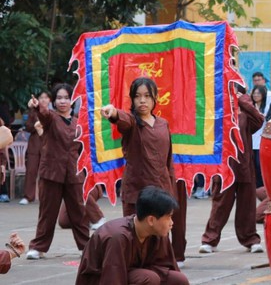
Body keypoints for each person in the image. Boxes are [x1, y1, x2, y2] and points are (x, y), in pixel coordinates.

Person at [99, 77, 185, 266]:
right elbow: (121, 119)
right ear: (132, 99)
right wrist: (113, 112)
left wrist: (171, 192)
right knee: (134, 240)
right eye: (137, 96)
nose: (142, 101)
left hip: (161, 191)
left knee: (161, 241)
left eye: (147, 96)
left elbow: (168, 162)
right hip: (137, 193)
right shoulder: (131, 123)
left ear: (155, 98)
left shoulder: (163, 124)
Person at [26, 84, 89, 259]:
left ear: (72, 100)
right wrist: (38, 105)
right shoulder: (51, 118)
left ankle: (87, 246)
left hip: (74, 172)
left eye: (66, 97)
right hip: (51, 173)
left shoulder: (78, 122)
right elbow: (43, 115)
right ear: (54, 101)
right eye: (59, 98)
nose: (63, 101)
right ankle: (38, 247)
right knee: (47, 212)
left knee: (79, 212)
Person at [76, 186, 188, 285]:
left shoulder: (158, 233)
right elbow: (112, 277)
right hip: (102, 279)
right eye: (168, 217)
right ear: (151, 220)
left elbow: (167, 267)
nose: (171, 222)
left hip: (133, 274)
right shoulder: (118, 237)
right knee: (149, 278)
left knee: (178, 280)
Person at [199, 86, 265, 254]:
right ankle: (210, 239)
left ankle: (251, 239)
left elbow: (259, 120)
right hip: (224, 164)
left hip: (244, 163)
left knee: (247, 204)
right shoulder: (217, 105)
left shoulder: (245, 110)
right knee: (221, 203)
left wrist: (242, 100)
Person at [20, 91, 50, 205]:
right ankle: (28, 196)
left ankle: (47, 196)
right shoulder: (33, 112)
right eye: (41, 97)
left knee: (48, 172)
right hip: (34, 145)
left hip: (48, 145)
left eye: (46, 97)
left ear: (49, 100)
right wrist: (33, 115)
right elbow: (27, 127)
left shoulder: (52, 113)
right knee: (31, 170)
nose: (43, 100)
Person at [250, 85, 269, 188]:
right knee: (252, 165)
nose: (256, 95)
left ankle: (261, 186)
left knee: (259, 164)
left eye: (258, 93)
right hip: (252, 138)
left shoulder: (267, 107)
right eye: (254, 93)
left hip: (262, 139)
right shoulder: (250, 107)